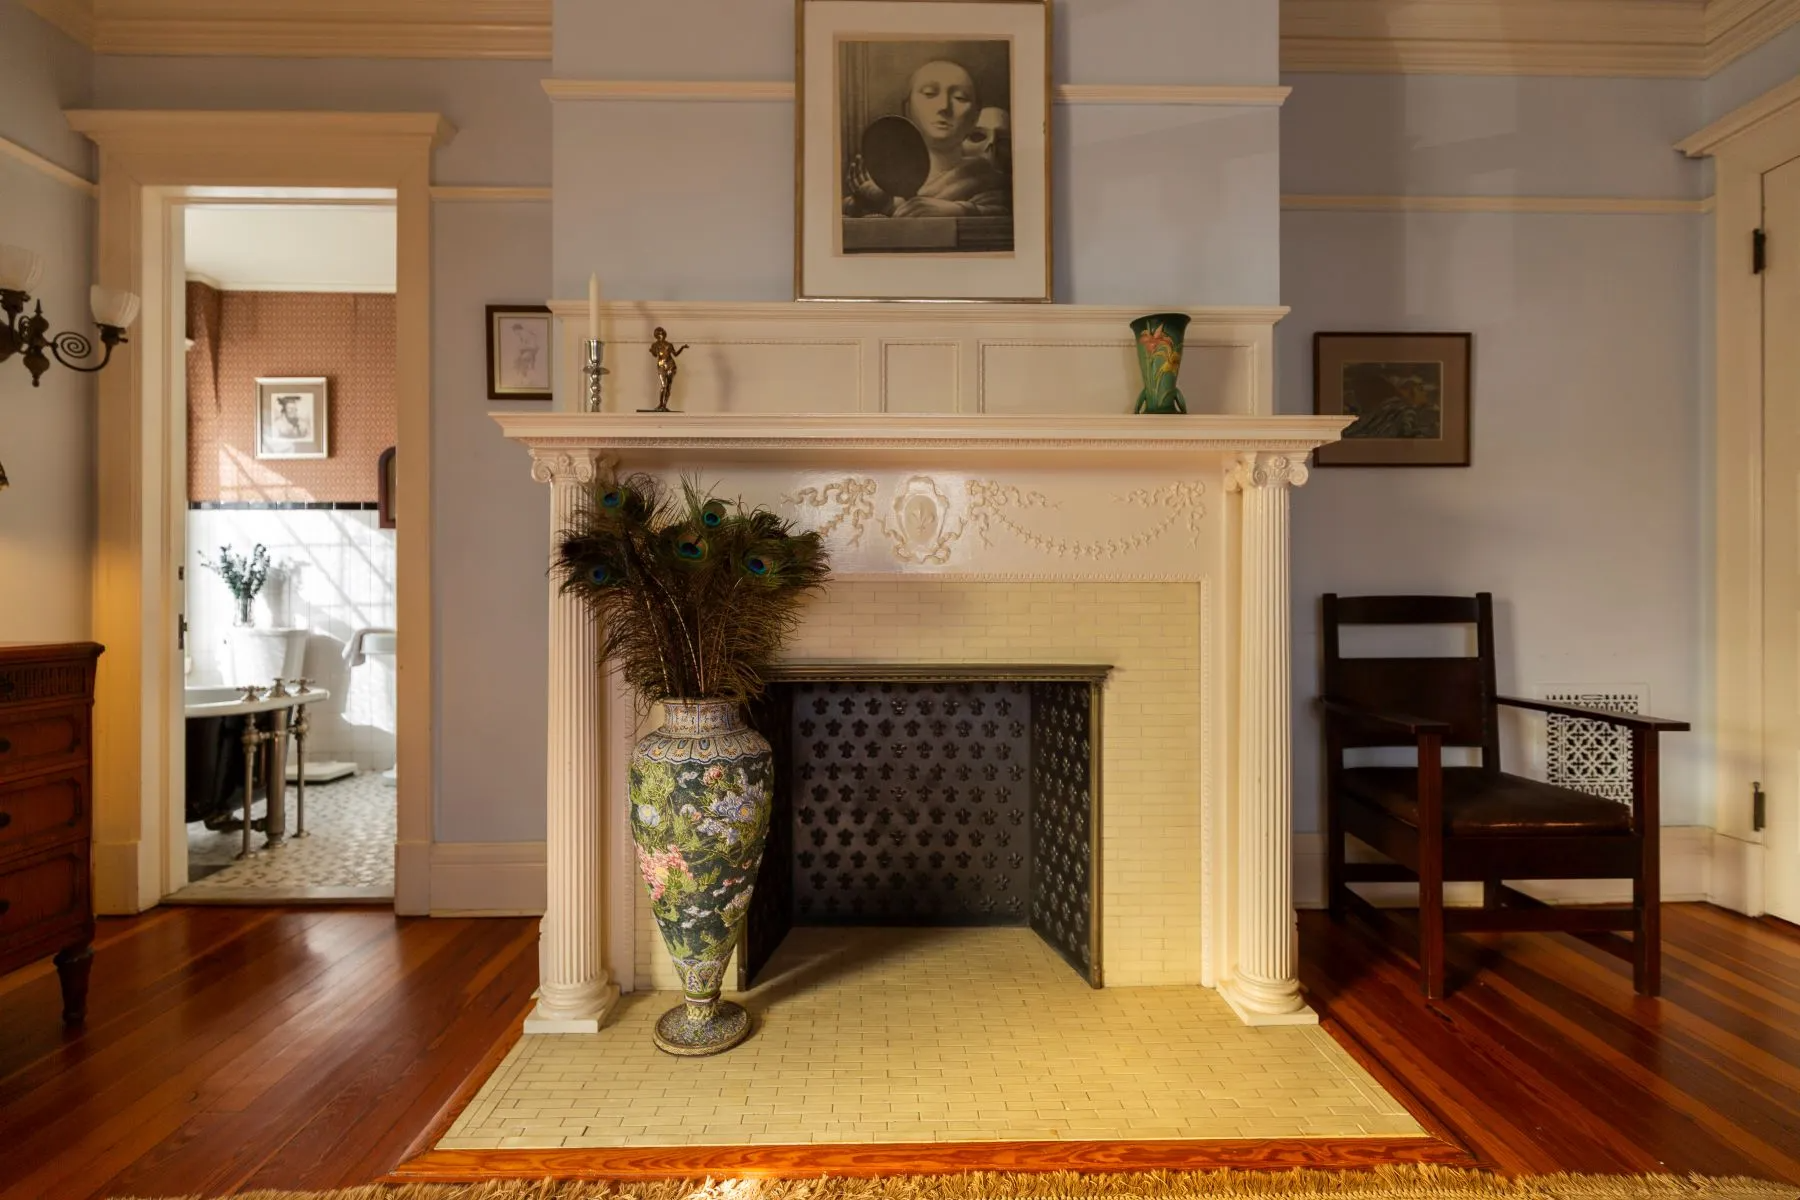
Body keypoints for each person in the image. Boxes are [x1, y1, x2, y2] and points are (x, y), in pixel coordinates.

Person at [845, 59, 1010, 219]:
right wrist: (879, 203)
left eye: (960, 97)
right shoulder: (887, 178)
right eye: (930, 93)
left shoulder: (987, 179)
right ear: (907, 109)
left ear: (975, 116)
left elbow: (1004, 219)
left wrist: (958, 211)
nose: (944, 106)